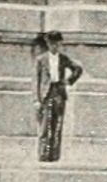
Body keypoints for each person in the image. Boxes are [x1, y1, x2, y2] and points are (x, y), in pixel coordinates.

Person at [34, 30, 83, 162]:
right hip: (46, 93)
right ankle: (43, 154)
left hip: (59, 92)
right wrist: (36, 99)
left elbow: (78, 69)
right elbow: (36, 80)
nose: (54, 46)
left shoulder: (63, 58)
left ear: (60, 44)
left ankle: (54, 155)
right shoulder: (41, 59)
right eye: (51, 44)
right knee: (45, 125)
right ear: (47, 44)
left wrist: (69, 81)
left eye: (56, 44)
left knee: (57, 125)